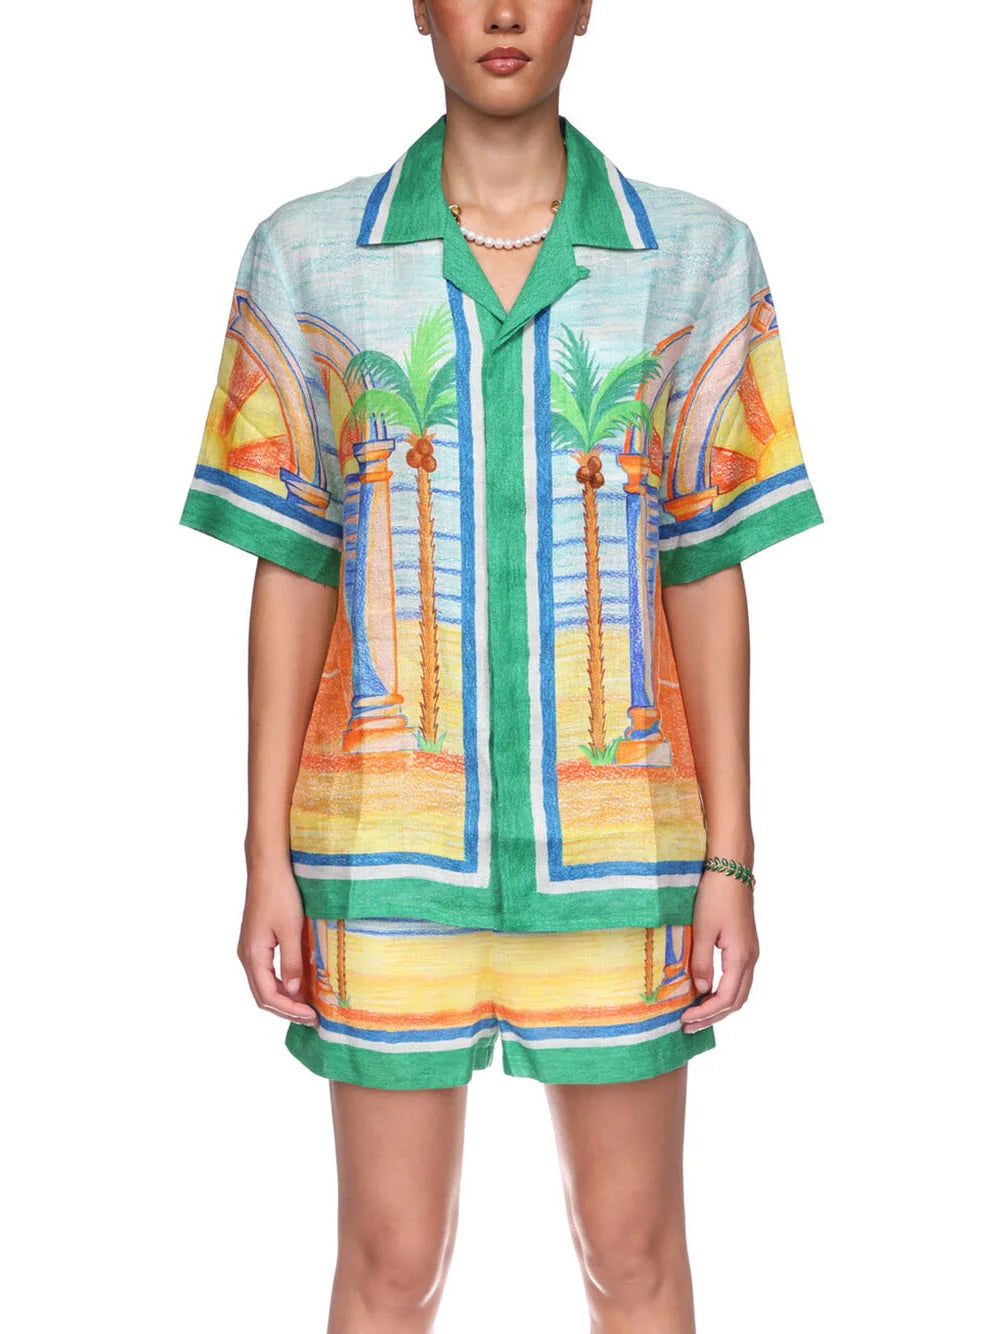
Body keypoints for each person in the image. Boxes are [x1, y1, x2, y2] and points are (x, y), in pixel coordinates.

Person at [178, 3, 824, 1329]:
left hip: (622, 848)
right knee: (391, 1264)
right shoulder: (309, 256)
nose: (506, 13)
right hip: (385, 848)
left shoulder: (696, 256)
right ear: (419, 8)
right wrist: (263, 856)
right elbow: (292, 565)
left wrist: (732, 859)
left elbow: (706, 566)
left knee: (633, 1254)